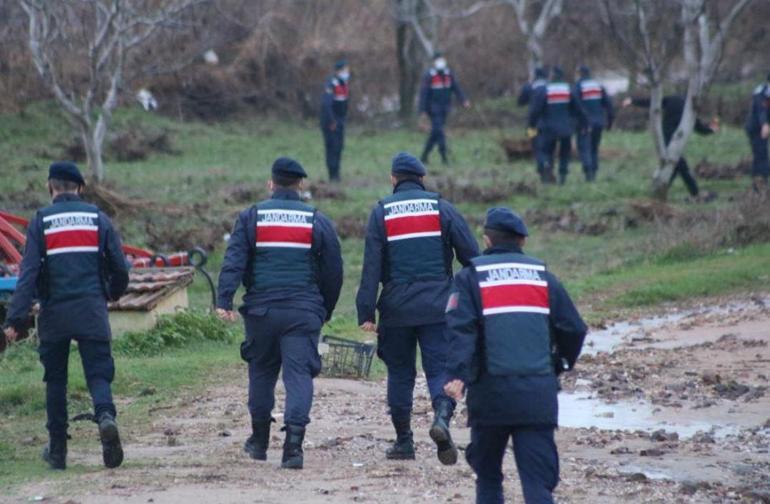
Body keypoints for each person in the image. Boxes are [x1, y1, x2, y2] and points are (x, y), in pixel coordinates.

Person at [443, 208, 587, 504]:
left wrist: (458, 375)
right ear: (522, 241)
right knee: (537, 484)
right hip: (537, 394)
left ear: (486, 240)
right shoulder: (543, 277)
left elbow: (462, 331)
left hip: (490, 396)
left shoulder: (471, 278)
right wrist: (558, 366)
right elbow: (573, 328)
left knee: (489, 477)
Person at [216, 157, 344, 470]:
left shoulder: (252, 216)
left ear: (271, 184)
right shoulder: (317, 219)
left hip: (261, 311)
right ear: (301, 185)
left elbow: (234, 260)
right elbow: (334, 270)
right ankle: (293, 448)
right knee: (298, 375)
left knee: (261, 372)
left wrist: (225, 300)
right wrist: (324, 308)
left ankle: (259, 442)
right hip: (303, 311)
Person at [2, 162, 129, 471]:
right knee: (98, 374)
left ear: (50, 187)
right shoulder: (99, 219)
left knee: (55, 380)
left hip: (54, 314)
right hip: (91, 310)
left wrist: (15, 320)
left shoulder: (41, 222)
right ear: (80, 188)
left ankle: (58, 452)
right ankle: (106, 417)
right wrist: (110, 294)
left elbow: (28, 274)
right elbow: (120, 269)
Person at [356, 152, 479, 464]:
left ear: (393, 179)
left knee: (400, 372)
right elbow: (472, 257)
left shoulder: (381, 211)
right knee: (439, 369)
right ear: (422, 179)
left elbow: (371, 267)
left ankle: (404, 441)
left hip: (396, 309)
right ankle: (441, 419)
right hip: (439, 306)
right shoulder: (442, 208)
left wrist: (366, 311)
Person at [622, 95, 719, 200]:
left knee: (676, 167)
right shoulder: (690, 109)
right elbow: (700, 129)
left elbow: (653, 101)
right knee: (680, 166)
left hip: (665, 138)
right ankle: (694, 194)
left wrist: (633, 101)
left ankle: (661, 192)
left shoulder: (674, 99)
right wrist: (711, 129)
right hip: (674, 141)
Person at [529, 66, 587, 185]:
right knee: (565, 153)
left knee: (546, 151)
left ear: (552, 76)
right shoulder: (569, 89)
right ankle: (562, 176)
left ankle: (546, 169)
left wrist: (531, 127)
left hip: (548, 129)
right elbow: (579, 110)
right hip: (566, 128)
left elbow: (535, 111)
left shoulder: (545, 90)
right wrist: (583, 125)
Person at [419, 52, 470, 165]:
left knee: (435, 133)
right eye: (438, 59)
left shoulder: (448, 74)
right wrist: (422, 111)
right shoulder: (429, 76)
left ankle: (424, 156)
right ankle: (444, 157)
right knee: (439, 131)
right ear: (433, 62)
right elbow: (424, 94)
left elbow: (456, 88)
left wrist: (464, 100)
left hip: (445, 109)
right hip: (433, 109)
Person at [574, 66, 614, 182]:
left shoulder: (578, 87)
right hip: (599, 123)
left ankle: (588, 173)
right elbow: (609, 106)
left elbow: (575, 106)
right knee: (594, 148)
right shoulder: (598, 86)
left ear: (579, 74)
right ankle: (594, 173)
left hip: (584, 123)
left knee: (584, 148)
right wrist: (610, 123)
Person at [320, 60, 350, 182]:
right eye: (345, 70)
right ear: (338, 71)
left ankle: (337, 174)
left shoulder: (344, 83)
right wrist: (331, 121)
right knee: (332, 147)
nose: (347, 72)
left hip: (340, 121)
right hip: (331, 122)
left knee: (339, 147)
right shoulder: (331, 83)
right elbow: (327, 105)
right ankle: (332, 175)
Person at [517, 67, 550, 180]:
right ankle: (548, 167)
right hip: (549, 124)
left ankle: (542, 167)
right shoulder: (550, 87)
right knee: (548, 147)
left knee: (537, 147)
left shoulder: (529, 87)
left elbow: (520, 102)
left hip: (532, 125)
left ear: (535, 76)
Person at [745, 72, 770, 192]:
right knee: (761, 155)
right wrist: (765, 124)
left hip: (764, 127)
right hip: (756, 129)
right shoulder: (761, 93)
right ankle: (760, 187)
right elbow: (762, 111)